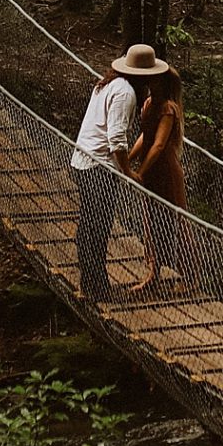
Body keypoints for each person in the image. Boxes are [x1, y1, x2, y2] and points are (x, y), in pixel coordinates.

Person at [69, 42, 167, 305]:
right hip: (99, 167)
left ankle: (90, 284)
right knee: (98, 229)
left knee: (89, 226)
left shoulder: (106, 84)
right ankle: (97, 289)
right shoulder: (126, 93)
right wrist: (127, 171)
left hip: (82, 161)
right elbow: (116, 139)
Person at [128, 64, 191, 297]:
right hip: (152, 171)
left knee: (175, 219)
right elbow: (145, 136)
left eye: (154, 79)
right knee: (151, 221)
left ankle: (189, 275)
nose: (149, 81)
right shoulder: (148, 104)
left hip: (165, 171)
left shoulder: (168, 108)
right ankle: (154, 274)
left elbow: (159, 144)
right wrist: (127, 158)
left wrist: (140, 171)